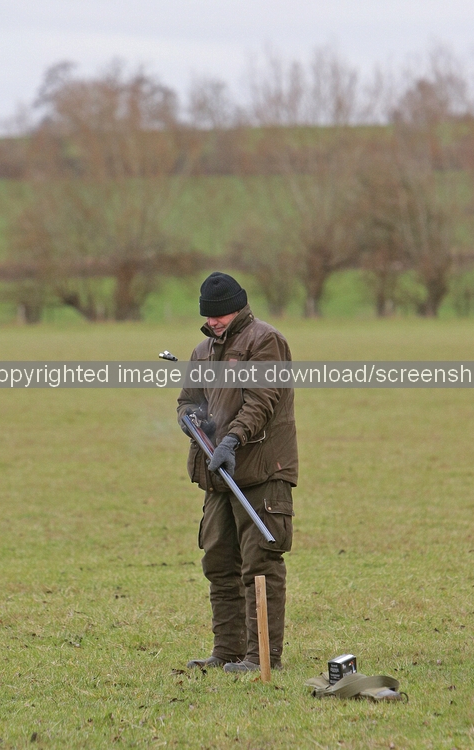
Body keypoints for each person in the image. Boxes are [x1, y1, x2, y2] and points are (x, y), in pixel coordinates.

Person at [177, 271, 298, 672]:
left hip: (261, 472)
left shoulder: (265, 341)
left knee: (260, 563)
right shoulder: (202, 352)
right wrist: (191, 419)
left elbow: (262, 400)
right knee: (219, 563)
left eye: (219, 315)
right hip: (218, 476)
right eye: (207, 315)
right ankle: (227, 651)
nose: (212, 322)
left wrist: (231, 440)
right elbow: (187, 400)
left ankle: (262, 657)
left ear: (238, 308)